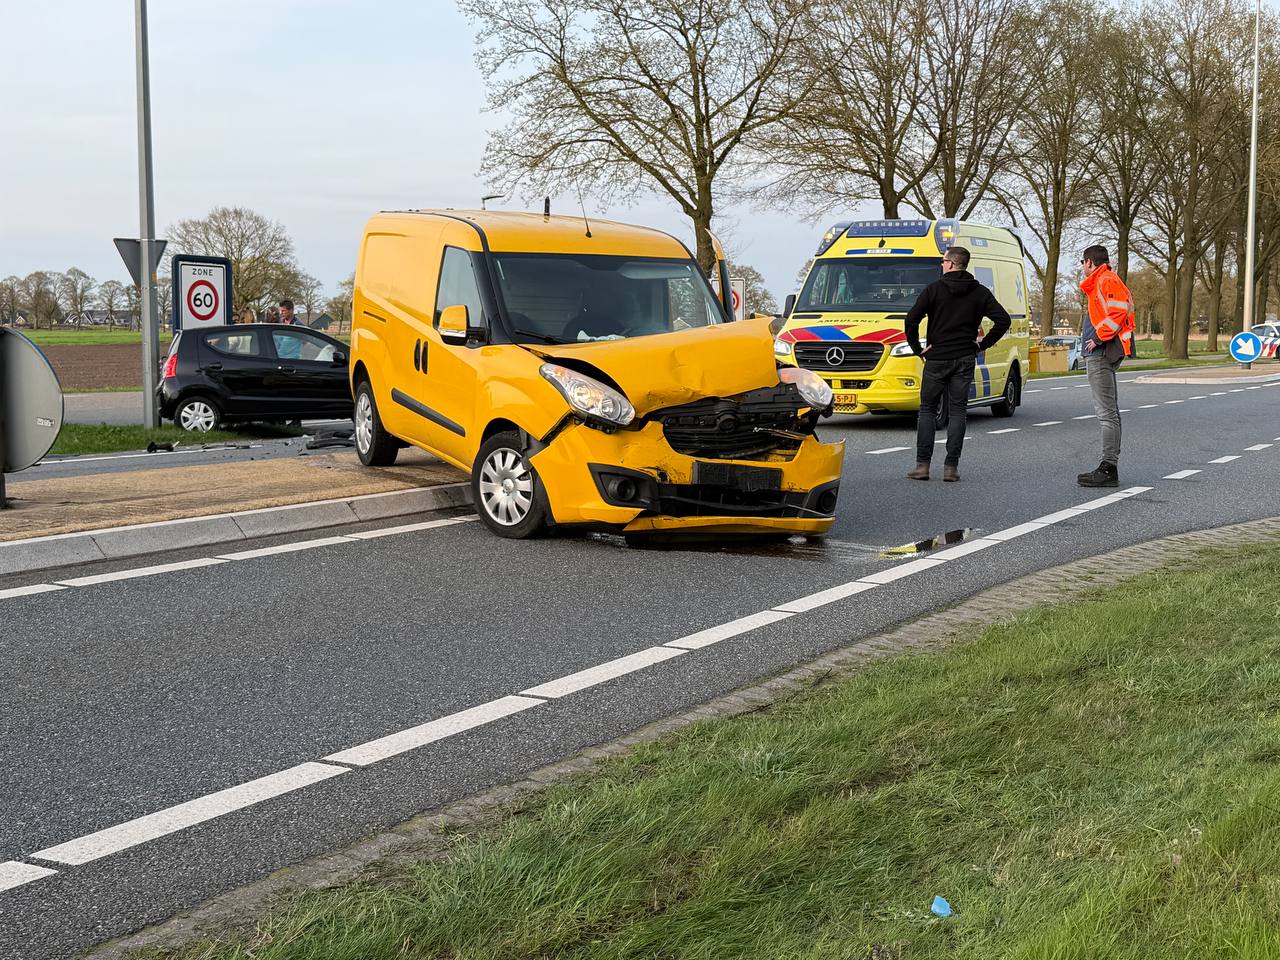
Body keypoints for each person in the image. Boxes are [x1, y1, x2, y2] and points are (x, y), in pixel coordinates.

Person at [904, 246, 1011, 482]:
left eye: (943, 261)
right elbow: (1003, 320)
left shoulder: (934, 289)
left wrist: (917, 349)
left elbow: (911, 320)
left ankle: (922, 466)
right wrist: (981, 345)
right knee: (958, 411)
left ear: (952, 264)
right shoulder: (980, 292)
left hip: (937, 357)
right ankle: (951, 468)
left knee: (928, 410)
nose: (941, 265)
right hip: (964, 358)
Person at [1077, 244, 1135, 487]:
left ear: (1089, 262)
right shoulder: (1102, 282)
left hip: (1100, 353)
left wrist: (1098, 337)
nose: (1082, 268)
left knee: (1106, 413)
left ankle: (1108, 467)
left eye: (1083, 263)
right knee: (1109, 412)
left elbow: (1119, 311)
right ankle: (1109, 466)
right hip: (1100, 352)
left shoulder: (1106, 280)